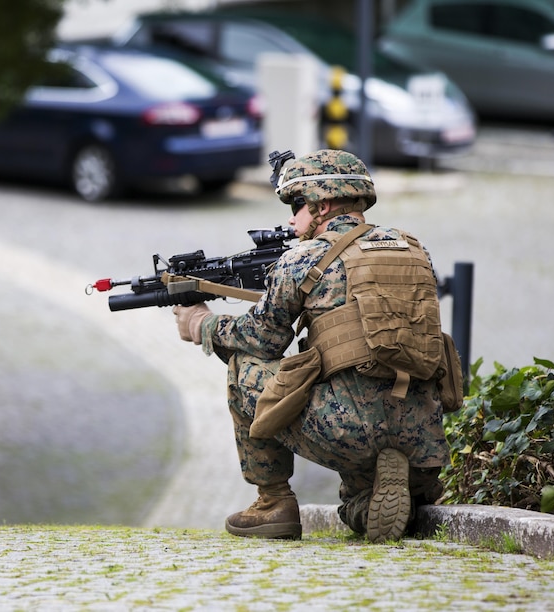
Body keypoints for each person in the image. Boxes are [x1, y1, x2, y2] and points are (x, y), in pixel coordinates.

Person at [171, 149, 448, 544]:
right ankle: (389, 487)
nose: (291, 218)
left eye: (297, 204)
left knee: (245, 367)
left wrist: (203, 324)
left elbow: (263, 339)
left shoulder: (303, 258)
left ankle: (273, 503)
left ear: (324, 204)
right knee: (355, 506)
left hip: (349, 429)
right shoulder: (414, 249)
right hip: (423, 435)